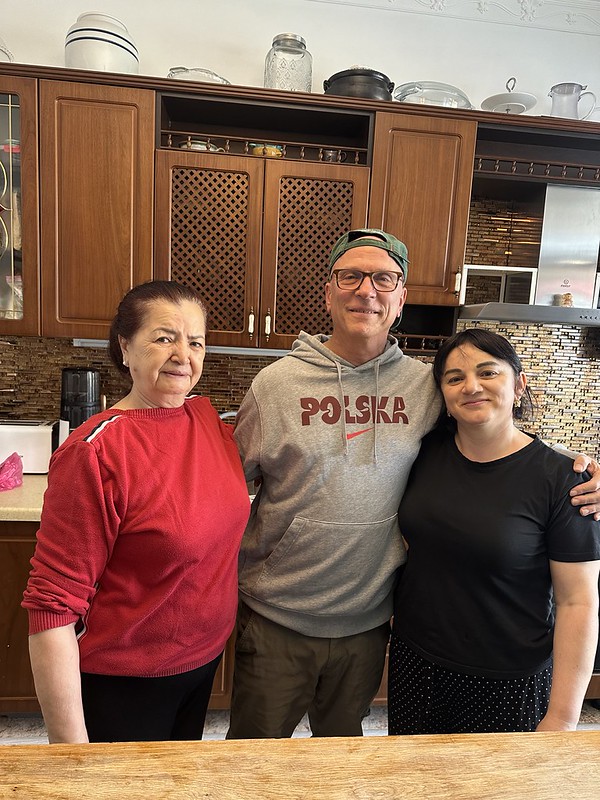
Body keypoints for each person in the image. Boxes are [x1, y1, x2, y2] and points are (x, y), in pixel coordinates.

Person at [227, 228, 600, 739]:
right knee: (254, 759)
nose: (366, 291)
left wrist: (577, 467)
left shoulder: (423, 385)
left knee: (345, 758)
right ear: (328, 292)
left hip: (368, 621)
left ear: (400, 299)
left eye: (384, 279)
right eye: (350, 276)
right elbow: (225, 484)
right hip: (279, 616)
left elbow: (494, 433)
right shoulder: (274, 386)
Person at [22, 281, 250, 744]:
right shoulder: (95, 452)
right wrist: (70, 753)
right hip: (125, 681)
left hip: (202, 661)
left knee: (177, 779)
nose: (183, 355)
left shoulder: (206, 420)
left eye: (196, 342)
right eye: (164, 337)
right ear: (125, 346)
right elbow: (52, 607)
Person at [389, 328, 600, 735]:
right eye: (455, 378)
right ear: (443, 395)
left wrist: (562, 717)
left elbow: (578, 603)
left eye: (488, 372)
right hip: (416, 662)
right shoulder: (423, 453)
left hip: (508, 679)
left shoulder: (565, 480)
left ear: (518, 385)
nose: (471, 386)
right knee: (412, 773)